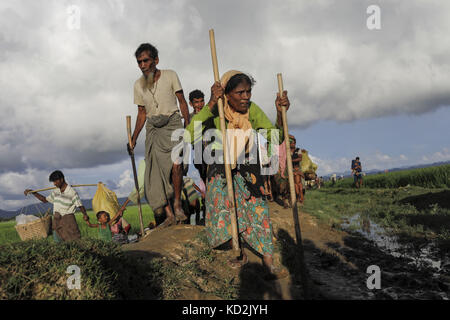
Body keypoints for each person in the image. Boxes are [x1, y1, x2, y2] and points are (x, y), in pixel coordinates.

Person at [185, 70, 289, 279]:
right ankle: (238, 251)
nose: (246, 97)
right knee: (224, 202)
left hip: (248, 163)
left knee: (257, 208)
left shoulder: (252, 110)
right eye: (240, 93)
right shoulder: (215, 111)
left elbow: (276, 138)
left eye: (248, 92)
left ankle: (267, 259)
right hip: (219, 163)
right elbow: (189, 135)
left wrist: (280, 113)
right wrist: (212, 104)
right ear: (227, 94)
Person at [129, 43, 190, 228]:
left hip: (172, 123)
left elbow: (182, 102)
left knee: (176, 164)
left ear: (156, 60)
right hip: (153, 128)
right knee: (155, 172)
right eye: (139, 62)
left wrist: (187, 126)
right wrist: (133, 138)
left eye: (146, 60)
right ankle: (169, 213)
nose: (142, 65)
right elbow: (141, 114)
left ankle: (178, 204)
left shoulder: (170, 75)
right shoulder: (138, 85)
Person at [24, 170, 89, 242]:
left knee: (73, 243)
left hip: (68, 222)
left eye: (55, 181)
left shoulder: (72, 192)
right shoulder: (56, 191)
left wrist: (85, 215)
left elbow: (80, 205)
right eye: (53, 182)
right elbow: (44, 200)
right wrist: (33, 192)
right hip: (57, 221)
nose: (54, 184)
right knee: (58, 244)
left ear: (62, 179)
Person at [188, 89, 209, 185]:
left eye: (201, 101)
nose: (199, 104)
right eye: (196, 102)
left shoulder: (208, 114)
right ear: (191, 104)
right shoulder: (189, 118)